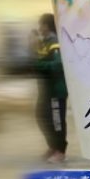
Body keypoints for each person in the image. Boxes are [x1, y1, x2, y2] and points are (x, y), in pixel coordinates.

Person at [35, 12, 68, 162]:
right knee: (41, 116)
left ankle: (60, 150)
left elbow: (57, 64)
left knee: (57, 121)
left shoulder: (55, 42)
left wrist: (38, 65)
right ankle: (52, 146)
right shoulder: (44, 42)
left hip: (56, 90)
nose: (39, 28)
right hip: (46, 90)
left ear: (47, 26)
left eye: (41, 25)